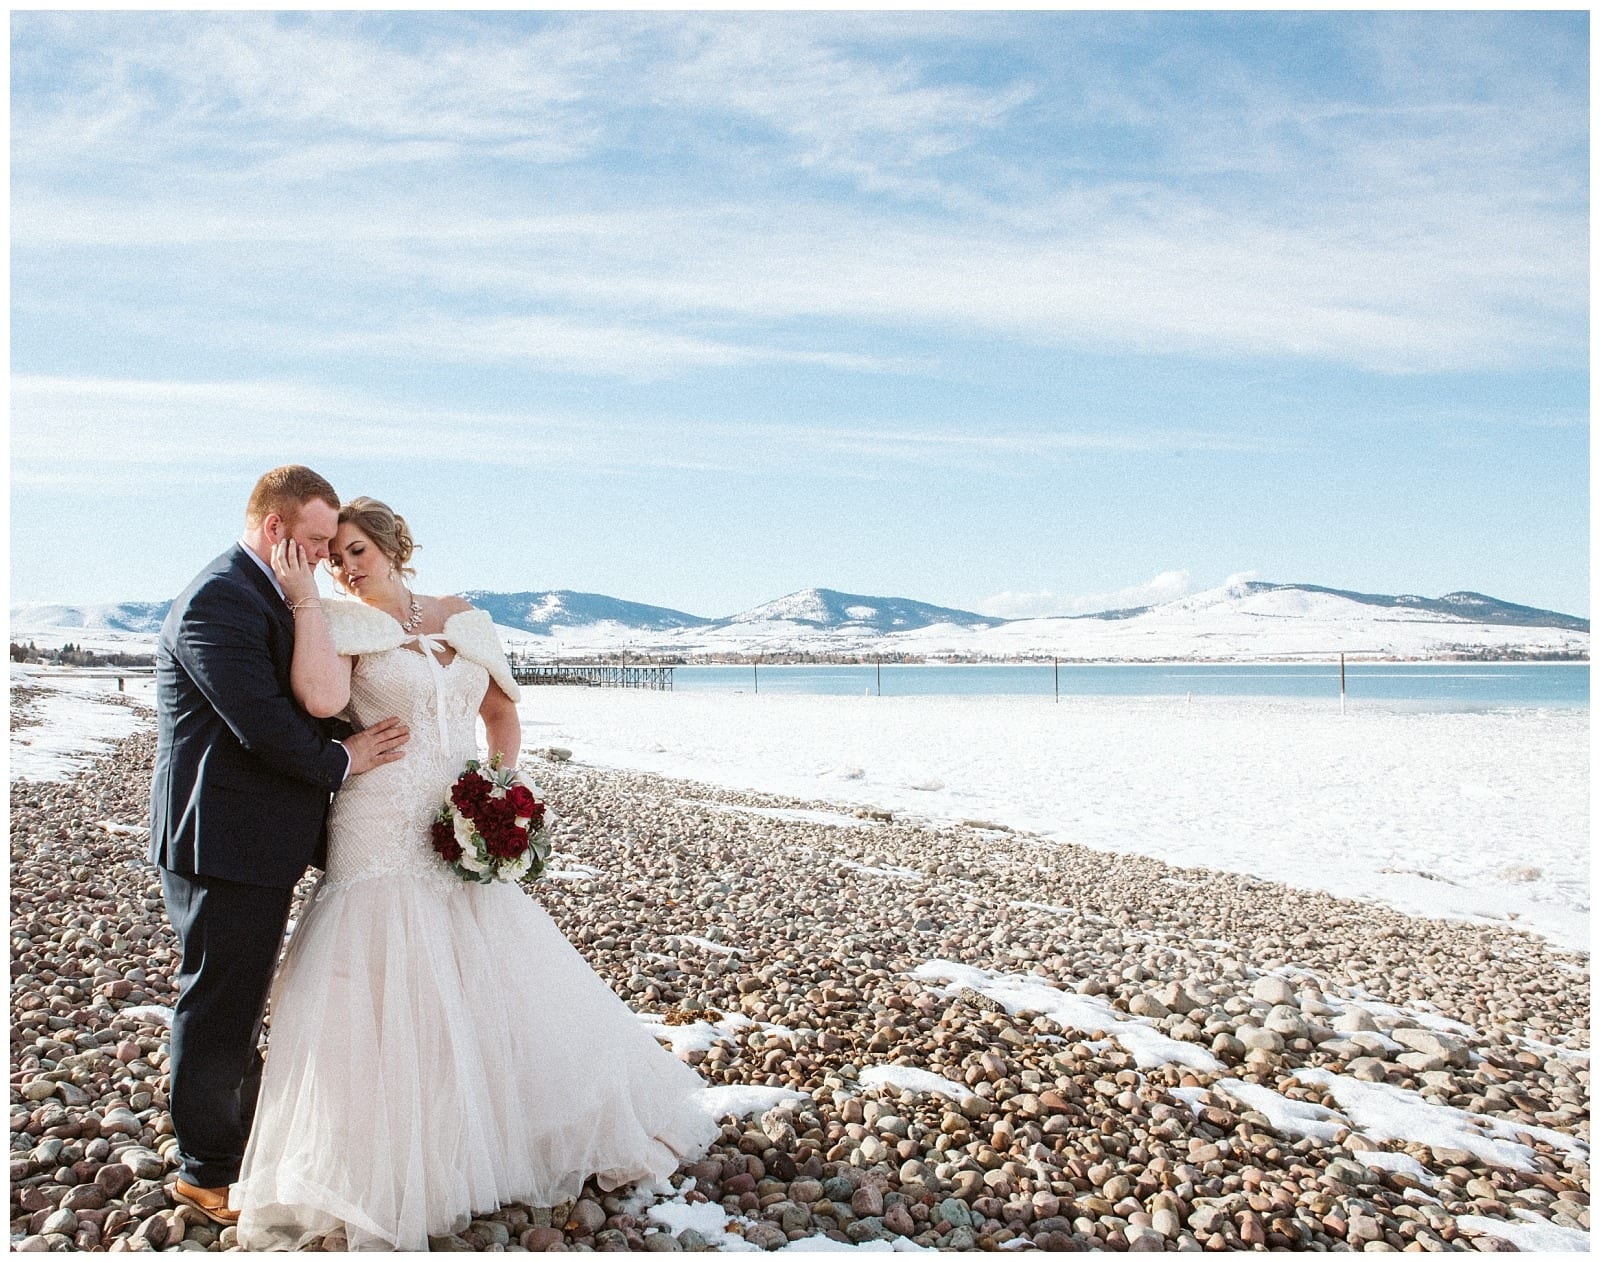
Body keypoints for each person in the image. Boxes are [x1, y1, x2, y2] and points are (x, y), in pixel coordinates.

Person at [231, 497, 716, 1250]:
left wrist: (499, 790)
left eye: (357, 551)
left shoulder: (460, 616)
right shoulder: (331, 618)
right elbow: (323, 700)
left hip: (453, 806)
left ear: (392, 547)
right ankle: (390, 1160)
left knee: (487, 962)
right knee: (385, 971)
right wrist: (309, 606)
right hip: (378, 813)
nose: (345, 567)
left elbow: (501, 713)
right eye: (336, 556)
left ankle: (504, 1132)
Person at [148, 467, 411, 1226]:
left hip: (254, 838)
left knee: (238, 1001)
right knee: (219, 1006)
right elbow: (258, 721)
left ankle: (243, 1142)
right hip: (220, 839)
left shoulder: (263, 590)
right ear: (275, 530)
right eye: (319, 540)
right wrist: (345, 759)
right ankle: (206, 1171)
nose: (330, 555)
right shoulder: (219, 598)